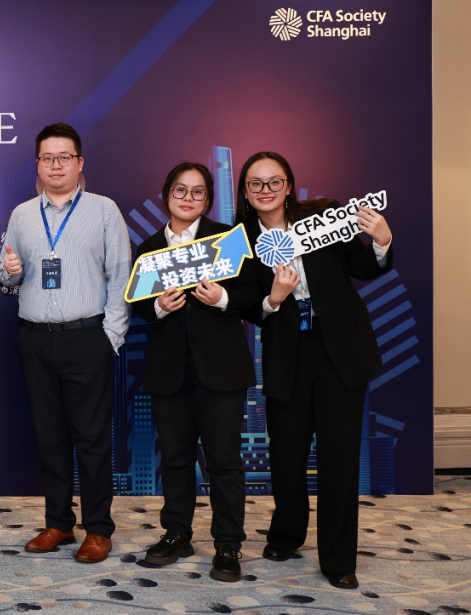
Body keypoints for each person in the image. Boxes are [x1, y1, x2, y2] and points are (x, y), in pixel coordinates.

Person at [235, 151, 392, 590]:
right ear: (245, 191)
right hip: (287, 352)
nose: (265, 190)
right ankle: (287, 534)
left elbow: (363, 268)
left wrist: (382, 240)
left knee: (339, 458)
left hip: (339, 349)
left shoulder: (322, 218)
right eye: (255, 183)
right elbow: (246, 304)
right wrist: (274, 298)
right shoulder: (239, 240)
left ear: (288, 185)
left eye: (274, 181)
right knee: (286, 454)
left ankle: (338, 558)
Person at [0, 122, 131, 564]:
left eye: (64, 157)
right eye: (47, 158)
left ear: (79, 162)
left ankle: (98, 528)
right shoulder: (21, 215)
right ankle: (58, 522)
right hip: (36, 340)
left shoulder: (104, 210)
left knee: (91, 439)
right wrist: (11, 271)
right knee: (49, 437)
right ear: (37, 164)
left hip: (87, 338)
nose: (56, 165)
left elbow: (120, 275)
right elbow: (5, 277)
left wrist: (110, 337)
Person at [133, 162, 259, 582]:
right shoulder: (149, 247)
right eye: (180, 190)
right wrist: (157, 307)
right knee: (175, 459)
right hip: (169, 372)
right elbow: (137, 303)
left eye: (197, 192)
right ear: (166, 194)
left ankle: (228, 544)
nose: (188, 198)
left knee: (224, 460)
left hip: (221, 370)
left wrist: (223, 298)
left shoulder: (227, 240)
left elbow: (252, 292)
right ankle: (177, 534)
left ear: (208, 199)